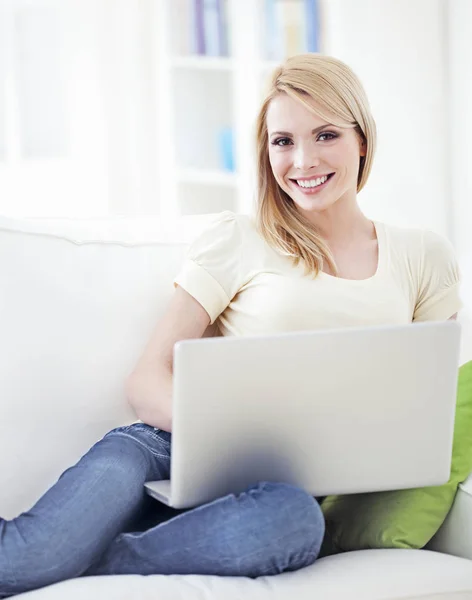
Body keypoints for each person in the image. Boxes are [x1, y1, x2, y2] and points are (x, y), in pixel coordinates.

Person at [0, 53, 462, 597]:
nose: (303, 160)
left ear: (363, 140)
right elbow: (147, 380)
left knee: (294, 524)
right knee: (26, 563)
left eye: (326, 135)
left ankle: (108, 560)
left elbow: (426, 406)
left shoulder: (423, 256)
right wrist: (229, 443)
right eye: (283, 141)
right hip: (161, 449)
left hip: (275, 495)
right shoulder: (238, 239)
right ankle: (79, 556)